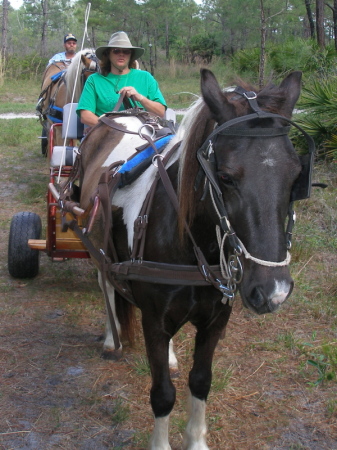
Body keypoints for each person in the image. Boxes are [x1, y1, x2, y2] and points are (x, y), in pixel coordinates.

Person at [77, 31, 166, 126]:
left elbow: (160, 112)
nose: (121, 54)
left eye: (126, 51)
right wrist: (112, 129)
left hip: (142, 135)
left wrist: (140, 98)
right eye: (116, 51)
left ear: (130, 55)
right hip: (106, 136)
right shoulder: (94, 80)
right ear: (108, 54)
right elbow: (85, 116)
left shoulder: (146, 77)